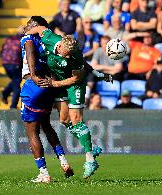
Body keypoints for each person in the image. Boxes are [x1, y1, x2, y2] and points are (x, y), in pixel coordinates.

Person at [25, 19, 112, 179]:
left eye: (71, 54)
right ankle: (92, 147)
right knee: (64, 120)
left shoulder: (75, 55)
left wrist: (55, 83)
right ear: (61, 46)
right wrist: (25, 36)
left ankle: (90, 159)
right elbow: (38, 27)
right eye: (67, 53)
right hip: (57, 83)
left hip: (74, 85)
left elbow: (76, 78)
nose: (68, 56)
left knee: (76, 120)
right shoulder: (50, 38)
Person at [20, 17, 74, 183]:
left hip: (33, 84)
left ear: (36, 26)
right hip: (48, 86)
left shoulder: (28, 38)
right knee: (46, 125)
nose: (27, 26)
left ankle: (44, 173)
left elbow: (29, 51)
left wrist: (34, 76)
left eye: (30, 23)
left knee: (32, 131)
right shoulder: (48, 43)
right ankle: (63, 161)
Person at [0, 28, 22, 109]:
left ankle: (5, 93)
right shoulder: (24, 40)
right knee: (17, 87)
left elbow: (2, 50)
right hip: (15, 64)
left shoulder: (9, 38)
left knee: (15, 81)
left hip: (5, 63)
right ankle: (13, 106)